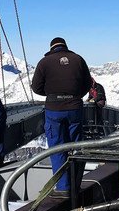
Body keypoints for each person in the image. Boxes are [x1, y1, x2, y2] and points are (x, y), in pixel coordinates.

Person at [31, 37, 91, 198]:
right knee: (76, 147)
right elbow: (87, 84)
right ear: (65, 46)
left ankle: (63, 187)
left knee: (57, 147)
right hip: (75, 108)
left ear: (52, 48)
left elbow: (36, 87)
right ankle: (76, 184)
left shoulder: (44, 62)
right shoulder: (78, 59)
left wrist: (52, 94)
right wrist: (75, 95)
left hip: (54, 110)